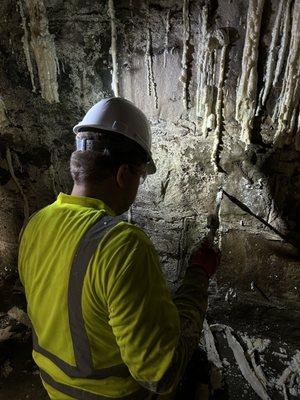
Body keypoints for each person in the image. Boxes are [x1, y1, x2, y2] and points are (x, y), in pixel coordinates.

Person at [18, 97, 220, 400]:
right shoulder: (123, 245)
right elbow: (159, 375)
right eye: (139, 177)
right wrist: (198, 276)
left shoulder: (35, 224)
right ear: (123, 174)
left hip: (54, 389)